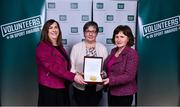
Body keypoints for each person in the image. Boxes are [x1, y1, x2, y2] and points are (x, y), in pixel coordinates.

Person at [35, 19, 85, 106]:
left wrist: (76, 73)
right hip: (50, 88)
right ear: (46, 31)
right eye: (50, 28)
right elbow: (54, 68)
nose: (54, 30)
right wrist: (73, 76)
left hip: (62, 86)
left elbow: (64, 66)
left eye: (56, 27)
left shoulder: (59, 46)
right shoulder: (42, 47)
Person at [70, 21, 108, 106]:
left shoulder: (102, 48)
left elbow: (106, 68)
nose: (90, 34)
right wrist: (77, 76)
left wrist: (103, 74)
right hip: (80, 86)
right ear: (84, 33)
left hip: (96, 87)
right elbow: (71, 67)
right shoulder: (76, 47)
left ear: (97, 33)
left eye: (93, 31)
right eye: (88, 31)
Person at [102, 25, 139, 106]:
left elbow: (129, 76)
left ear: (128, 38)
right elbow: (110, 68)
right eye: (116, 36)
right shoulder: (113, 51)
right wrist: (104, 74)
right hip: (111, 91)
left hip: (124, 94)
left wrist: (110, 80)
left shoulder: (132, 53)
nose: (118, 39)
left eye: (122, 37)